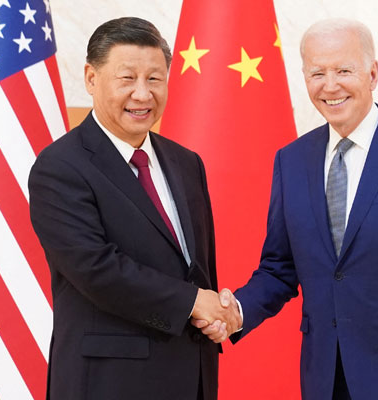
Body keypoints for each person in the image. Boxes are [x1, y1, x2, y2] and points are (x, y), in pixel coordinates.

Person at [195, 18, 378, 400]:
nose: (330, 85)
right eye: (317, 73)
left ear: (372, 73)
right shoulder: (291, 160)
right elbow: (279, 268)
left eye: (344, 70)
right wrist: (236, 312)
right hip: (324, 380)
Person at [29, 17, 240, 400]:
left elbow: (197, 267)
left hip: (192, 377)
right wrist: (194, 303)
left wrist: (214, 315)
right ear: (92, 78)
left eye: (155, 79)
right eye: (127, 79)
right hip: (109, 383)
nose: (142, 95)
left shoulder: (185, 162)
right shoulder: (59, 166)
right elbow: (97, 270)